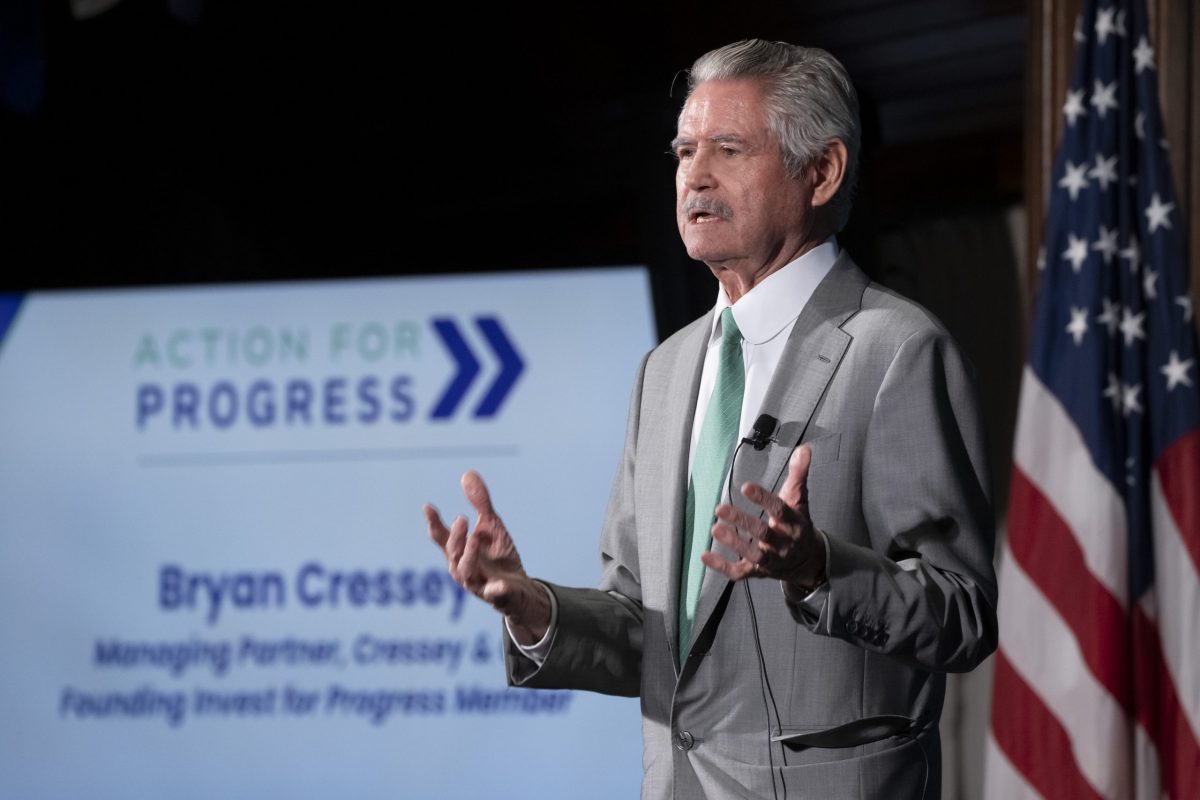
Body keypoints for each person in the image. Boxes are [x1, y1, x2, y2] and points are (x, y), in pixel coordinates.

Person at [425, 39, 997, 799]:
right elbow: (647, 629)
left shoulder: (896, 349)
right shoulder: (664, 372)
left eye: (728, 149)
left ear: (822, 171)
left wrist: (817, 568)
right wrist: (533, 607)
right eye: (684, 151)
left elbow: (962, 615)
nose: (694, 176)